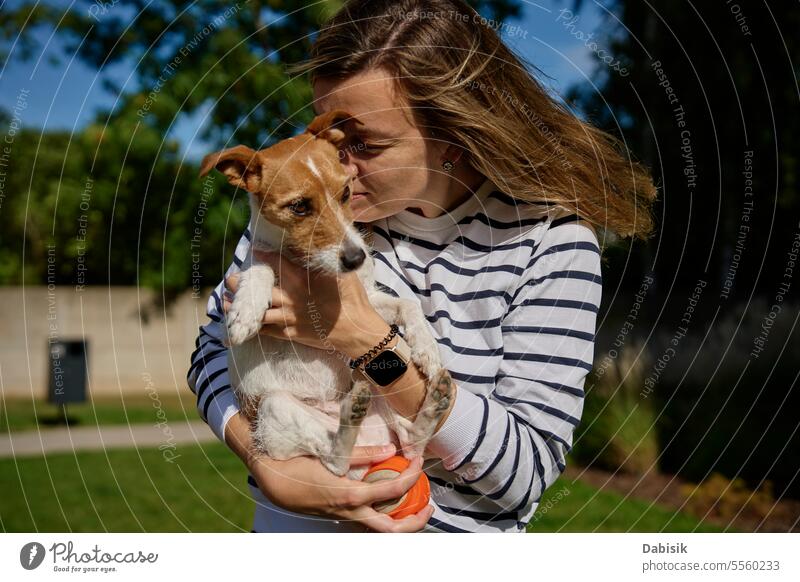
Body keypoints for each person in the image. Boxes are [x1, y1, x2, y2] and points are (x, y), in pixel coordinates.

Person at [186, 0, 657, 533]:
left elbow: (525, 472)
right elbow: (209, 355)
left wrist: (367, 342)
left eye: (364, 143)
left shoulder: (552, 242)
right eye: (332, 132)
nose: (336, 162)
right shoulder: (309, 211)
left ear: (452, 131)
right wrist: (265, 462)